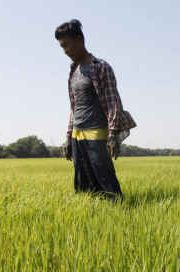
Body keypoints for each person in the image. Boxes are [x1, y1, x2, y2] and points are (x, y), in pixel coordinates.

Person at [55, 19, 136, 199]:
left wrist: (112, 134)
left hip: (97, 132)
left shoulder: (100, 67)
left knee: (105, 180)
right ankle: (92, 210)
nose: (65, 51)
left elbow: (113, 102)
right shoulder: (73, 71)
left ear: (79, 39)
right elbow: (73, 107)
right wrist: (68, 137)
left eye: (66, 45)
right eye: (62, 47)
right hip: (77, 134)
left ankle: (118, 210)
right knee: (83, 184)